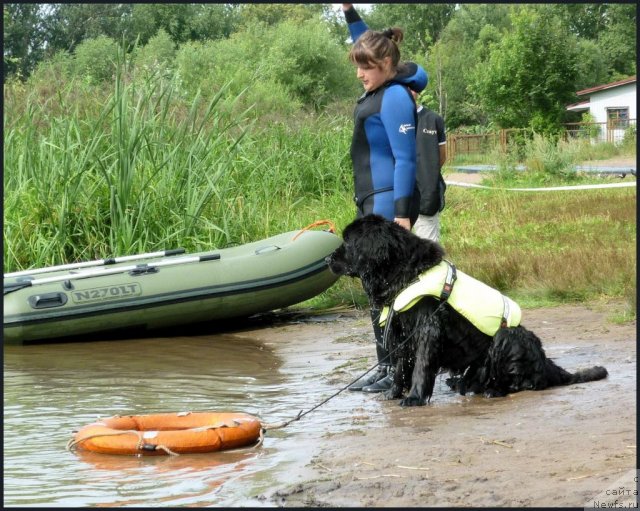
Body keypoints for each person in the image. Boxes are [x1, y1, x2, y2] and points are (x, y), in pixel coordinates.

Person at [342, 4, 428, 393]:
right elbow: (363, 37)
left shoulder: (393, 97)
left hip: (387, 205)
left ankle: (399, 369)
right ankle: (386, 366)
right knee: (376, 291)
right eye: (358, 66)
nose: (360, 74)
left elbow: (406, 158)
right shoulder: (376, 91)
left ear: (388, 65)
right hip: (370, 205)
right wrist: (348, 10)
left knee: (390, 292)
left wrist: (402, 216)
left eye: (367, 67)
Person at [411, 89, 447, 243]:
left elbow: (441, 156)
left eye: (411, 86)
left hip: (426, 197)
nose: (408, 91)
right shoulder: (389, 118)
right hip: (395, 198)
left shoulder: (433, 119)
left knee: (427, 249)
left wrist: (427, 176)